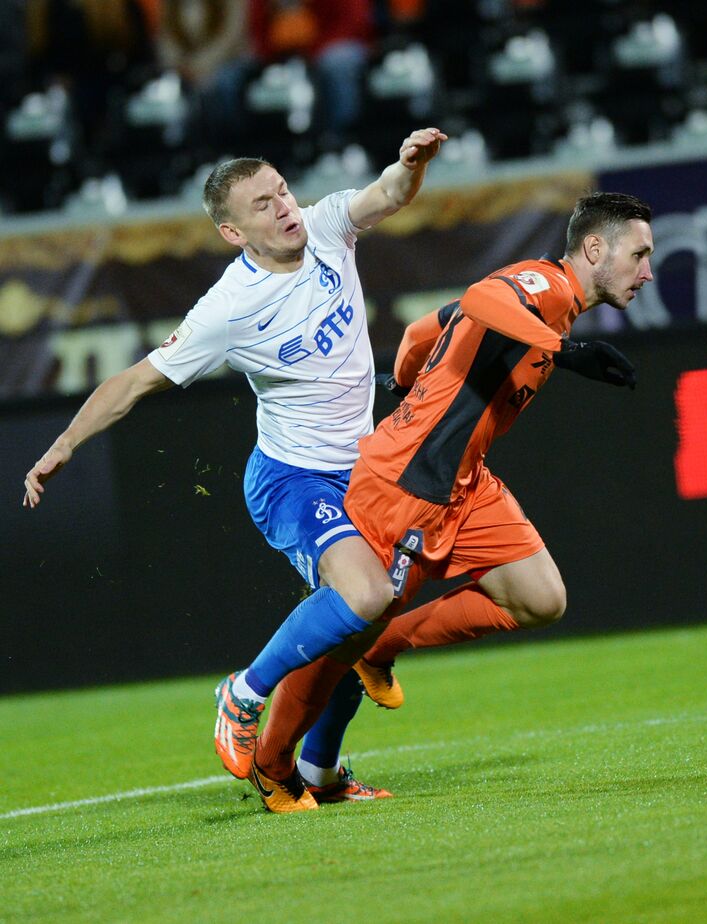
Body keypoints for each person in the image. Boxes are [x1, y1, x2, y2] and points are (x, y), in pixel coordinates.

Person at [23, 126, 448, 811]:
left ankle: (320, 774)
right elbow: (134, 381)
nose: (284, 208)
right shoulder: (229, 307)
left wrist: (410, 165)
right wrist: (64, 443)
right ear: (232, 232)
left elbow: (387, 195)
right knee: (366, 599)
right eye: (262, 204)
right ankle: (244, 691)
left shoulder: (328, 225)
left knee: (362, 624)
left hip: (363, 472)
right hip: (293, 480)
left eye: (282, 190)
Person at [245, 192, 653, 812]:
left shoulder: (555, 304)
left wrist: (413, 384)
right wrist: (565, 354)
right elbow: (484, 300)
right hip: (411, 481)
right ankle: (277, 763)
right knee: (349, 630)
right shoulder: (543, 286)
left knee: (541, 597)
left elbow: (419, 331)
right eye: (639, 254)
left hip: (465, 480)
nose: (646, 271)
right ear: (594, 248)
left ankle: (382, 654)